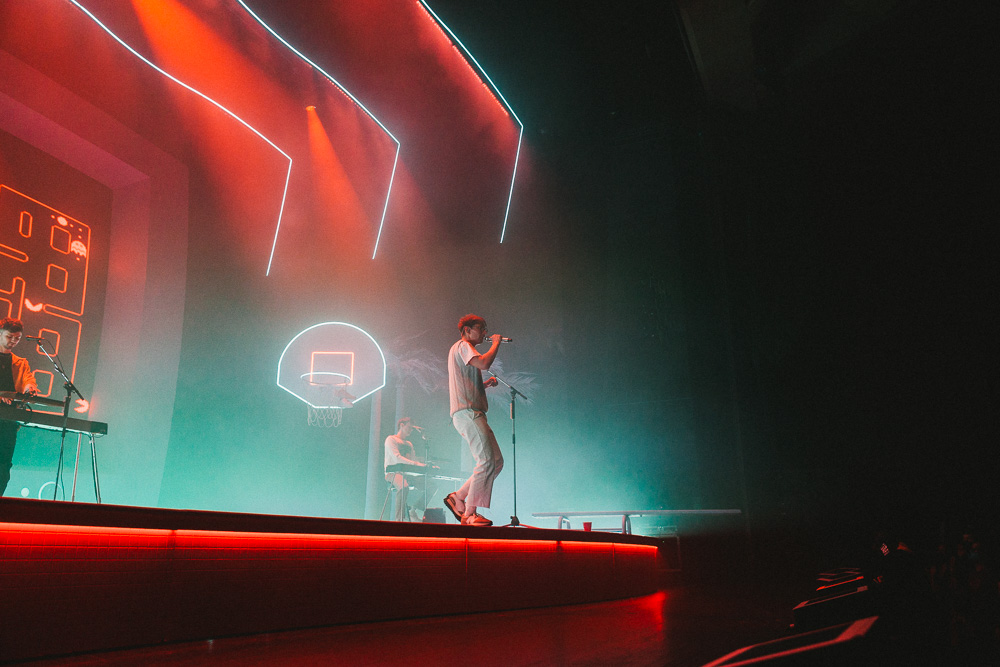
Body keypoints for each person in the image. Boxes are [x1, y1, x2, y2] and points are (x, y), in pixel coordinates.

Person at [444, 314, 502, 526]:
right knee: (485, 461)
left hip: (472, 412)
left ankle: (458, 497)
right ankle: (469, 514)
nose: (485, 333)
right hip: (468, 413)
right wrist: (496, 343)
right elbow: (485, 363)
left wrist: (484, 385)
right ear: (467, 330)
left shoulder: (460, 350)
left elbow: (465, 384)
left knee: (495, 462)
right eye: (481, 328)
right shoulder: (463, 346)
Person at [0, 317, 39, 496]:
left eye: (17, 338)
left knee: (4, 465)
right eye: (10, 337)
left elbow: (28, 381)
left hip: (8, 421)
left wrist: (30, 388)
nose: (13, 341)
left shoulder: (20, 363)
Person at [384, 417, 425, 521]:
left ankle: (414, 510)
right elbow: (396, 458)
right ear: (401, 425)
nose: (411, 430)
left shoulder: (409, 444)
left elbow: (412, 459)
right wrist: (416, 463)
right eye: (409, 427)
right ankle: (399, 520)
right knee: (404, 486)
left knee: (431, 485)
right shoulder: (391, 439)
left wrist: (426, 464)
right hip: (392, 473)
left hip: (408, 474)